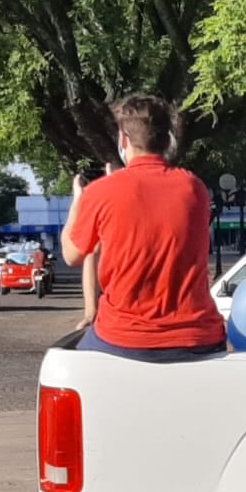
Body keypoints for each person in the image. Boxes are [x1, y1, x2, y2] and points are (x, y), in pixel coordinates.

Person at [61, 94, 226, 360]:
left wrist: (78, 202)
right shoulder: (194, 188)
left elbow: (72, 255)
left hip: (123, 337)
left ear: (123, 139)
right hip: (197, 337)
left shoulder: (101, 192)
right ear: (167, 140)